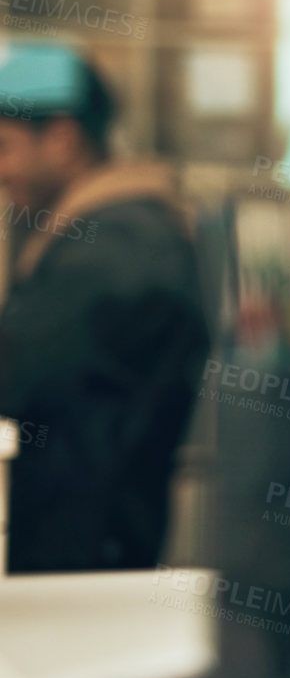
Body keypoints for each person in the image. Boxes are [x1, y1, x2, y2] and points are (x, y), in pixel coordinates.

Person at [0, 43, 209, 572]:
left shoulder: (116, 244)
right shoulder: (115, 232)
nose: (1, 170)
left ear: (65, 140)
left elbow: (14, 369)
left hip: (88, 561)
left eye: (6, 147)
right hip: (90, 546)